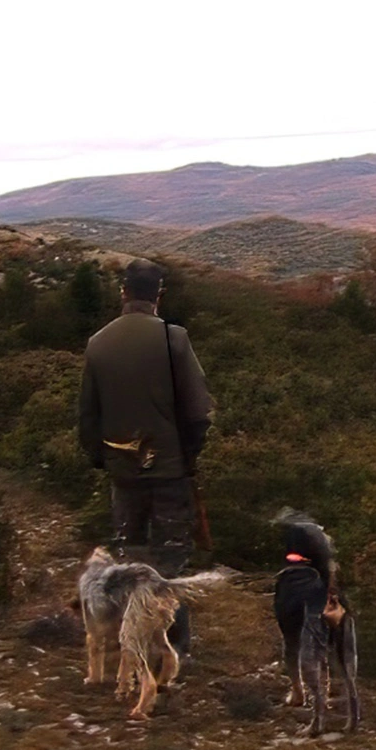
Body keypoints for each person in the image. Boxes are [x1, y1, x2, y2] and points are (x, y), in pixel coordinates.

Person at [78, 258, 214, 653]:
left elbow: (87, 417)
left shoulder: (98, 342)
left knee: (128, 558)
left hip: (123, 474)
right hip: (171, 473)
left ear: (123, 292)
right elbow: (198, 412)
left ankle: (131, 642)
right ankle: (175, 649)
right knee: (169, 565)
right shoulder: (175, 339)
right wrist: (187, 458)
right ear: (159, 295)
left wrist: (103, 459)